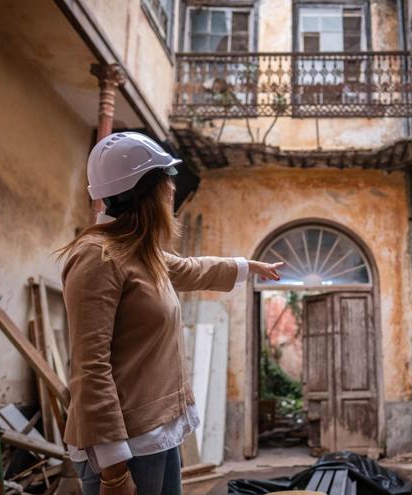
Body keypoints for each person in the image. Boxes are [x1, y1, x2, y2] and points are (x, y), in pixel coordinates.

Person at [55, 132, 283, 495]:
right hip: (124, 450)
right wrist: (114, 473)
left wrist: (247, 266)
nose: (172, 191)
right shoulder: (97, 258)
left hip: (157, 436)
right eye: (166, 182)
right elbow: (90, 369)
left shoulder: (138, 251)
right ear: (145, 194)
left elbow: (190, 268)